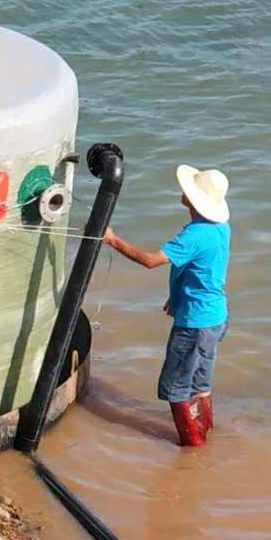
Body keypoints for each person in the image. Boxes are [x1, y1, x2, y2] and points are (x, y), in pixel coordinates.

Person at [103, 165, 230, 448]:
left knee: (175, 388)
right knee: (201, 383)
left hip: (195, 323)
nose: (183, 191)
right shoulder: (221, 228)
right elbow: (202, 268)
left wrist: (112, 240)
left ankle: (192, 446)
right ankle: (204, 431)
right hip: (216, 316)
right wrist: (177, 297)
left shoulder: (194, 235)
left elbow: (150, 261)